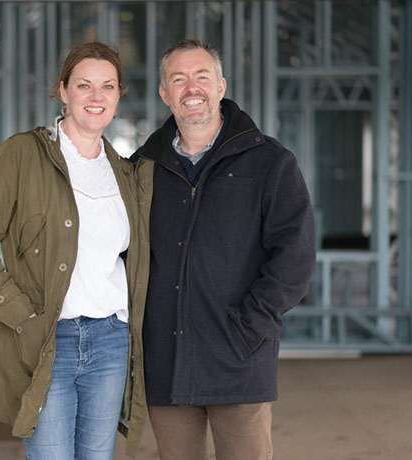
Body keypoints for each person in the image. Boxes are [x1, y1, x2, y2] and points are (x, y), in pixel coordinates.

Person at [0, 42, 149, 460]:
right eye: (84, 85)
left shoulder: (126, 172)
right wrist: (21, 314)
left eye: (108, 86)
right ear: (63, 91)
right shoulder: (22, 154)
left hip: (111, 340)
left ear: (118, 96)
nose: (96, 97)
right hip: (48, 338)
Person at [132, 39, 316, 460]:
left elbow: (295, 254)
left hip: (238, 357)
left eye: (201, 76)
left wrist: (252, 326)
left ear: (221, 86)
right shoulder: (143, 168)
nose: (190, 87)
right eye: (178, 79)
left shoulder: (269, 161)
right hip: (167, 359)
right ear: (164, 93)